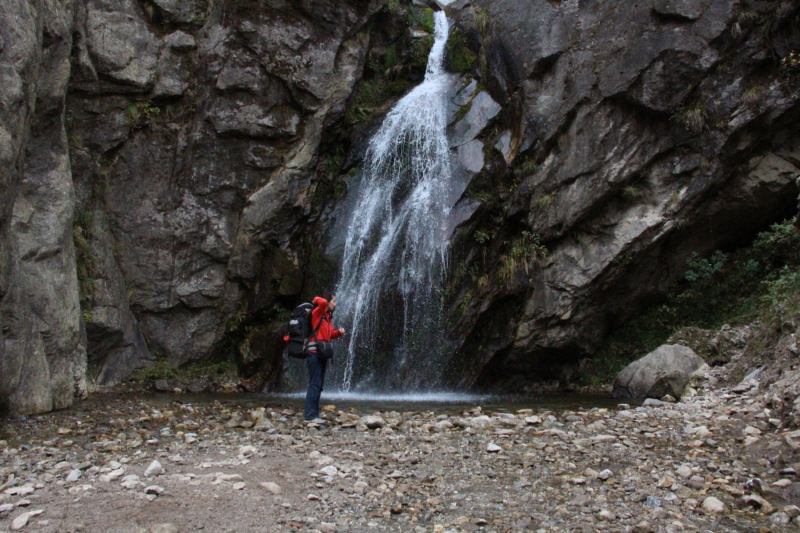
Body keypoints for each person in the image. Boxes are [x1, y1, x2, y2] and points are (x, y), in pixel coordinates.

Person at [305, 291, 345, 422]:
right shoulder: (317, 313)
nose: (335, 303)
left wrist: (338, 333)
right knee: (314, 383)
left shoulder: (327, 316)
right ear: (327, 302)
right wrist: (316, 298)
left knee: (319, 384)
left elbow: (329, 335)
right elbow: (321, 302)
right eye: (333, 301)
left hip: (322, 352)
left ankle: (314, 414)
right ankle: (310, 415)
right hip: (314, 352)